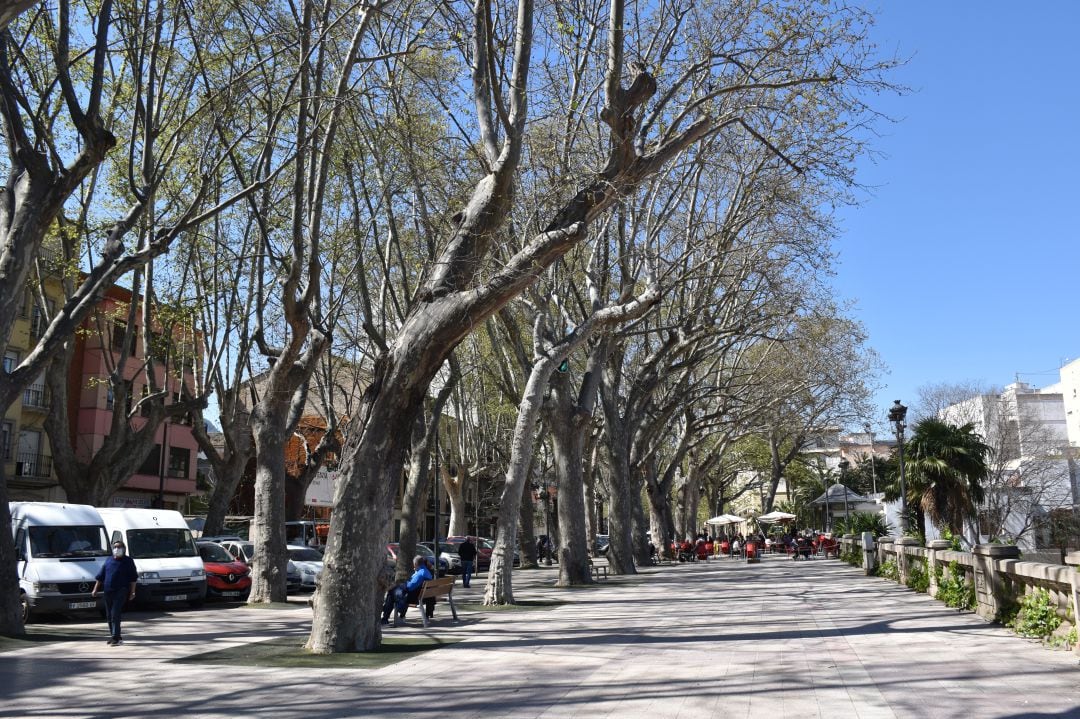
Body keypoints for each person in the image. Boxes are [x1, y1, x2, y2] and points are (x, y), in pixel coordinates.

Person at [91, 540, 138, 646]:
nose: (117, 549)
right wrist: (95, 589)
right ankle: (115, 635)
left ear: (123, 549)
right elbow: (100, 577)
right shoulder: (108, 560)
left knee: (115, 614)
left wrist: (133, 592)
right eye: (115, 547)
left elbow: (133, 578)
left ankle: (115, 637)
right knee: (108, 615)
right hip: (108, 591)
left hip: (121, 590)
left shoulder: (128, 561)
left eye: (119, 547)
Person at [381, 555, 434, 626]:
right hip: (424, 597)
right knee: (394, 591)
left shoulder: (420, 574)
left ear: (415, 564)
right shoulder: (427, 572)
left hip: (414, 598)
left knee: (391, 593)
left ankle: (385, 618)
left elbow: (409, 587)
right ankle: (398, 616)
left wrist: (401, 585)